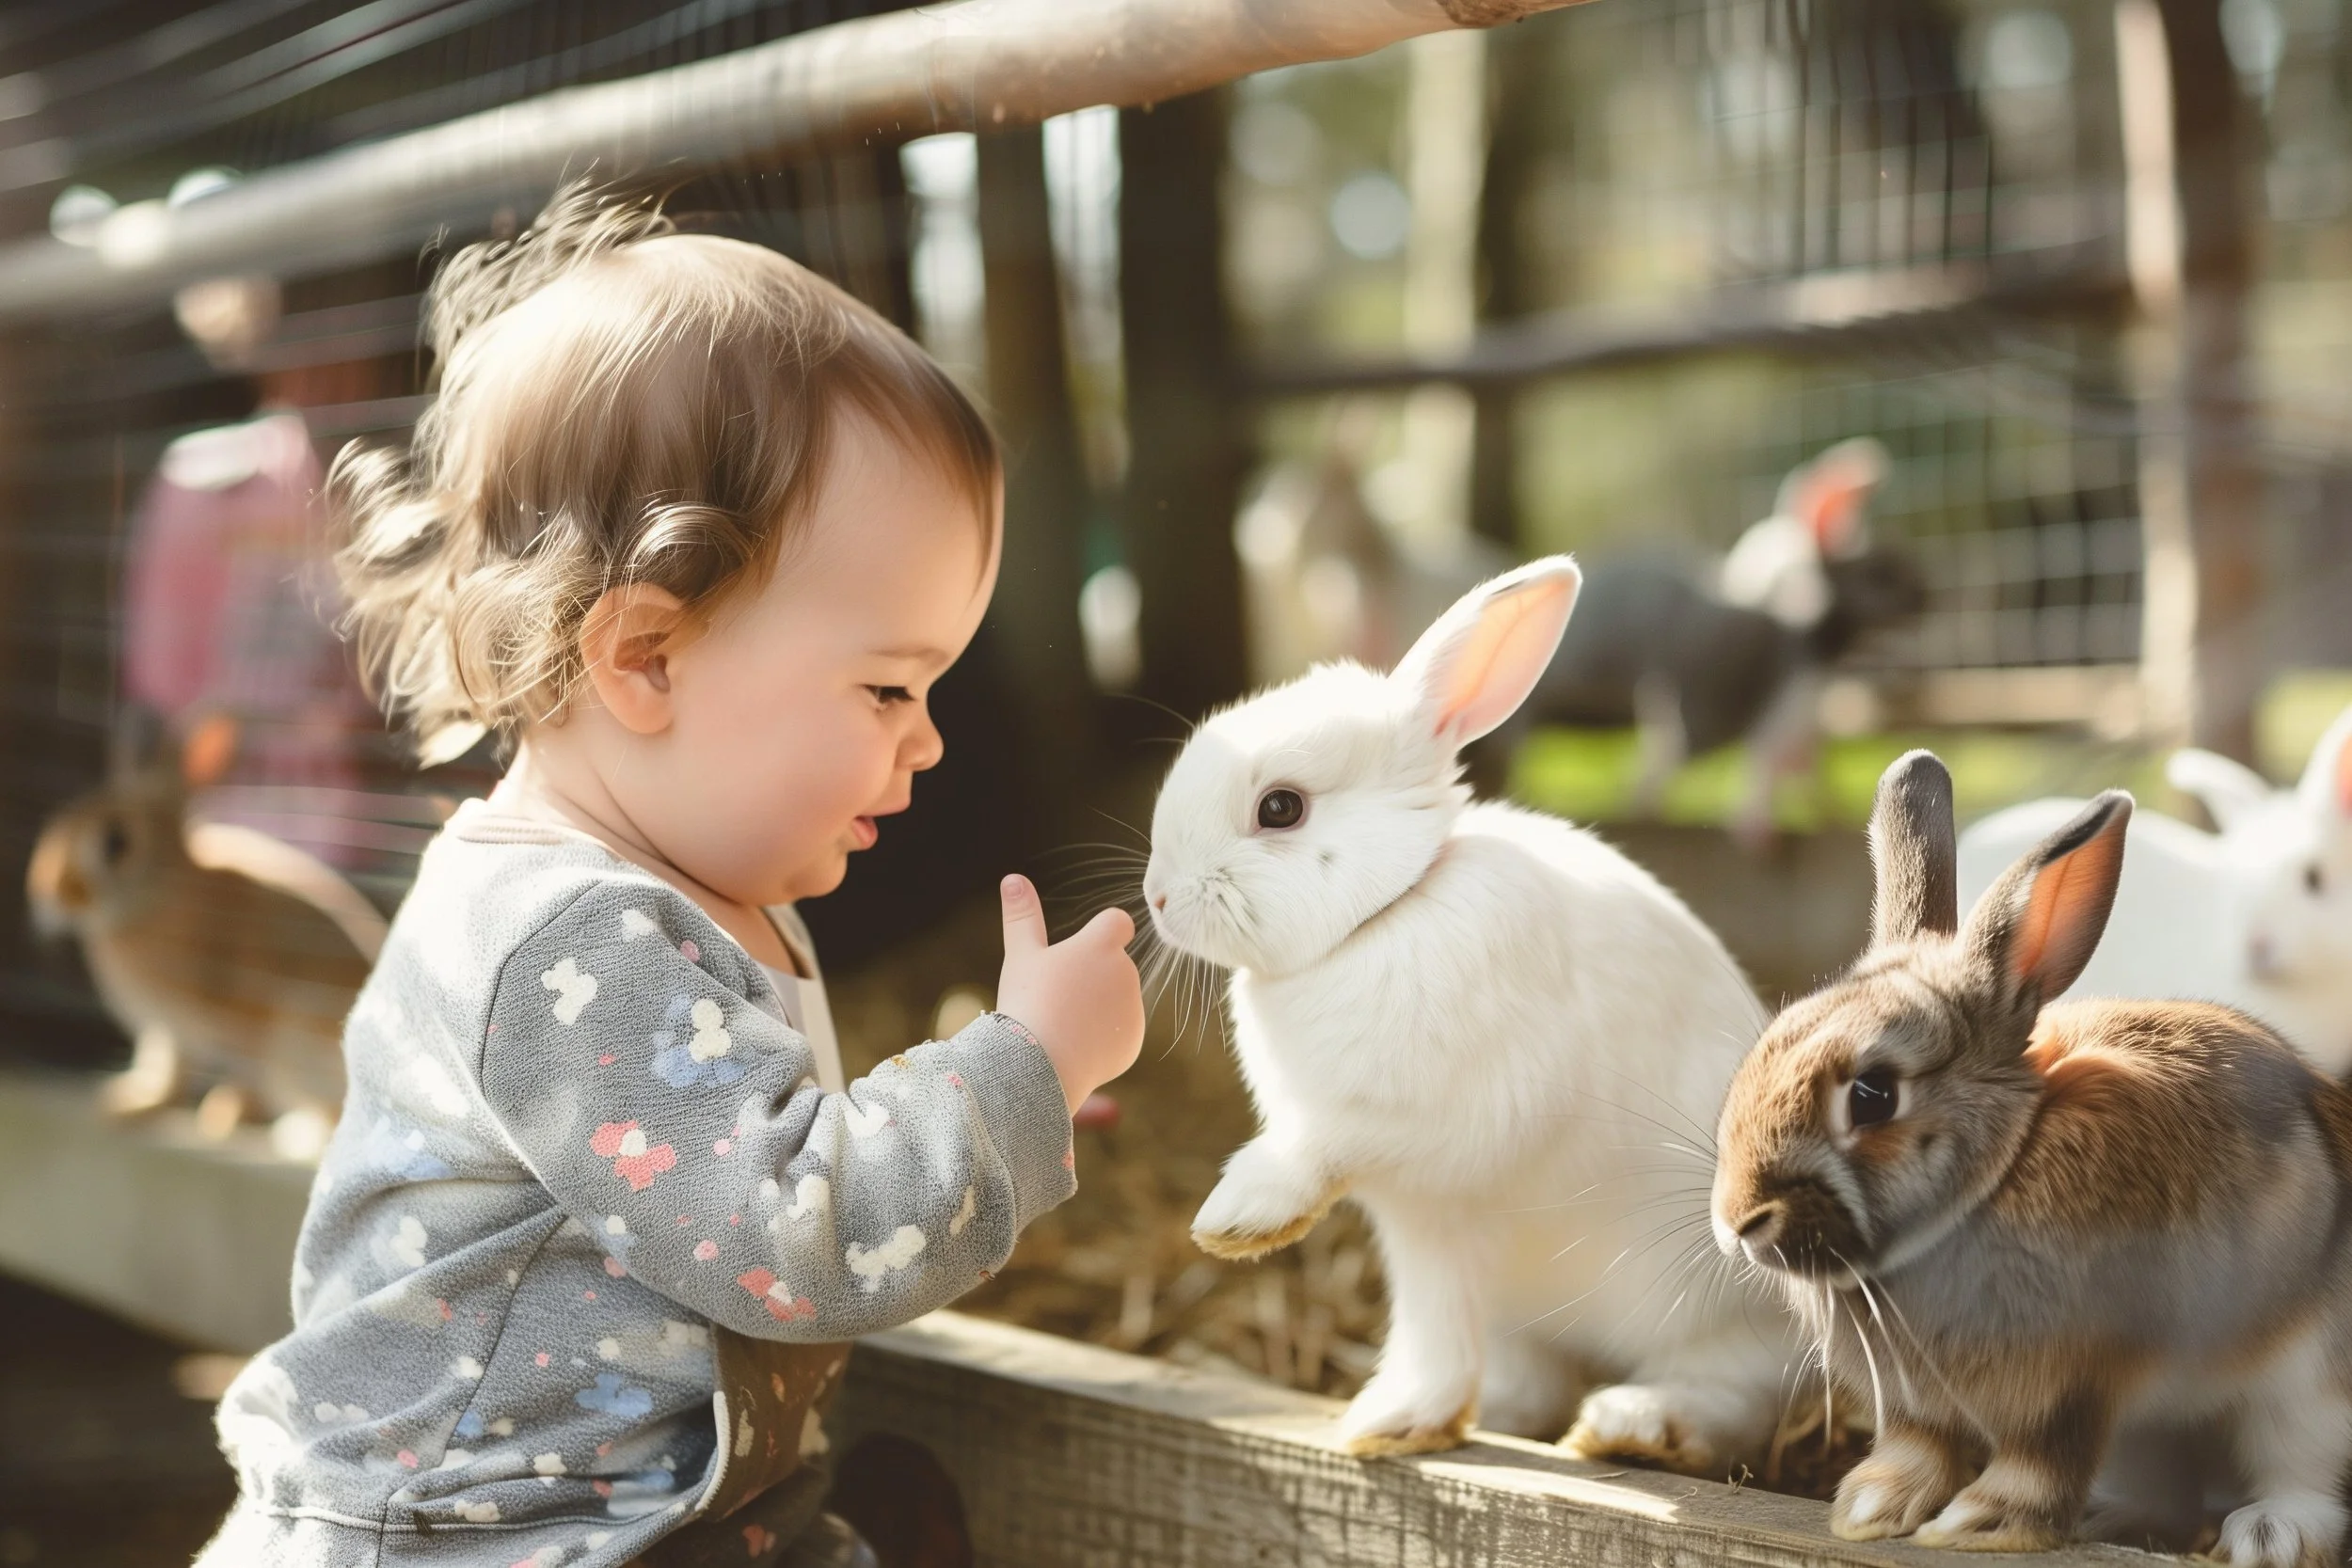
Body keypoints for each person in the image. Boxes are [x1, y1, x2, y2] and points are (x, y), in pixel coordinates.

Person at [194, 186, 1146, 1568]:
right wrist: (1012, 1082)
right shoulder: (571, 942)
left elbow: (737, 1156)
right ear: (643, 656)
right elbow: (795, 1233)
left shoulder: (640, 892)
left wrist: (999, 1092)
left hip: (626, 1519)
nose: (929, 738)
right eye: (889, 683)